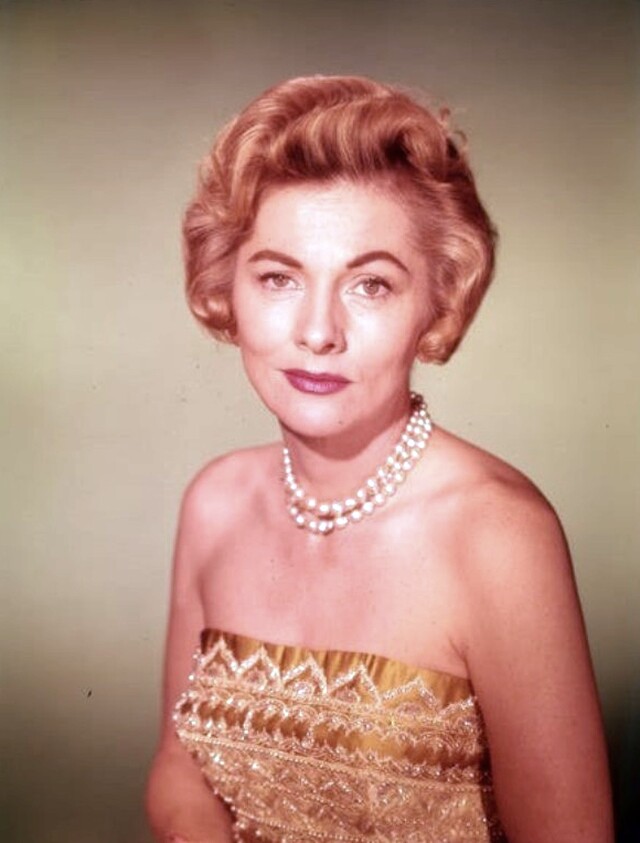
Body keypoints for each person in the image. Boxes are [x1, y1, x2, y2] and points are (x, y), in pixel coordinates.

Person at [146, 75, 613, 843]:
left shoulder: (499, 535)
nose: (318, 331)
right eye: (279, 277)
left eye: (370, 285)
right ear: (226, 286)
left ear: (437, 302)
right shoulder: (214, 501)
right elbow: (178, 771)